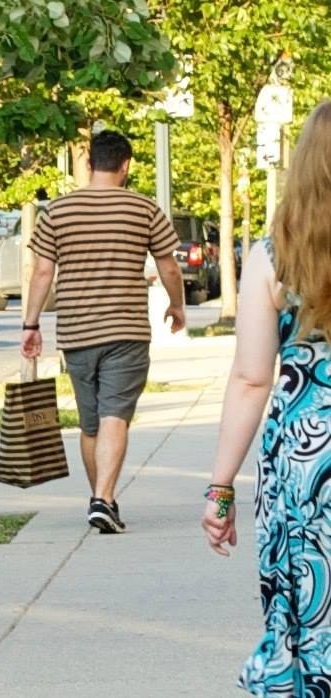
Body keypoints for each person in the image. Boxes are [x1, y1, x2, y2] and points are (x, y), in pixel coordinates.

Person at [202, 101, 331, 696]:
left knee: (307, 604)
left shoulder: (274, 257)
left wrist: (220, 487)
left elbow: (251, 378)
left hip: (306, 456)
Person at [21, 130, 185, 533]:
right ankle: (103, 500)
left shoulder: (56, 212)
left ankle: (101, 499)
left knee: (91, 422)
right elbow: (168, 265)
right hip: (126, 329)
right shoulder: (143, 208)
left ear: (90, 163)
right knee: (115, 414)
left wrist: (31, 323)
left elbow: (42, 272)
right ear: (125, 165)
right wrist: (177, 304)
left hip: (76, 332)